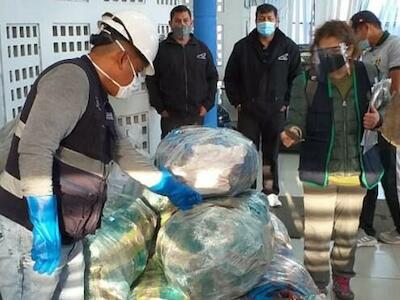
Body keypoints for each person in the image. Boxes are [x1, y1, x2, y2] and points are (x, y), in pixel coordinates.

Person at [0, 10, 202, 300]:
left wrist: (168, 186)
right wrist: (43, 220)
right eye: (137, 72)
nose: (135, 81)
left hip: (68, 233)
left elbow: (124, 151)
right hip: (31, 233)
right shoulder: (70, 79)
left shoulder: (98, 96)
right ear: (122, 58)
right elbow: (35, 149)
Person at [281, 21, 383, 299]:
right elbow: (296, 119)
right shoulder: (308, 81)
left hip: (355, 170)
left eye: (333, 49)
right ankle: (316, 284)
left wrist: (378, 120)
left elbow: (385, 112)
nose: (327, 56)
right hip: (319, 171)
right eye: (321, 51)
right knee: (316, 236)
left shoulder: (368, 74)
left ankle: (342, 280)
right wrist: (292, 132)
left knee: (347, 234)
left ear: (349, 48)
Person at [224, 3, 301, 207]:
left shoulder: (288, 47)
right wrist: (237, 102)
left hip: (275, 111)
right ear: (255, 20)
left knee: (270, 153)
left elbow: (297, 78)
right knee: (247, 154)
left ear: (277, 21)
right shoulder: (242, 47)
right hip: (248, 110)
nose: (265, 22)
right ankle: (246, 192)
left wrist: (286, 103)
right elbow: (230, 77)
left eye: (269, 18)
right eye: (261, 18)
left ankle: (269, 191)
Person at [350, 10, 400, 246]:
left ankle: (397, 228)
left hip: (387, 125)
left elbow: (396, 89)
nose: (355, 38)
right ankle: (366, 228)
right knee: (369, 174)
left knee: (388, 177)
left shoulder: (394, 45)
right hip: (370, 126)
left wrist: (381, 120)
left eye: (355, 32)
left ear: (366, 26)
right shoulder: (368, 53)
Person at [146, 5, 218, 138]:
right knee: (171, 155)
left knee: (194, 154)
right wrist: (160, 108)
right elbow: (151, 80)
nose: (182, 24)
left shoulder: (202, 49)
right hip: (170, 117)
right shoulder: (160, 51)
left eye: (185, 20)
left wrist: (207, 105)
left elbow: (212, 78)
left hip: (196, 115)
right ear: (170, 24)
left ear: (192, 22)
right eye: (177, 21)